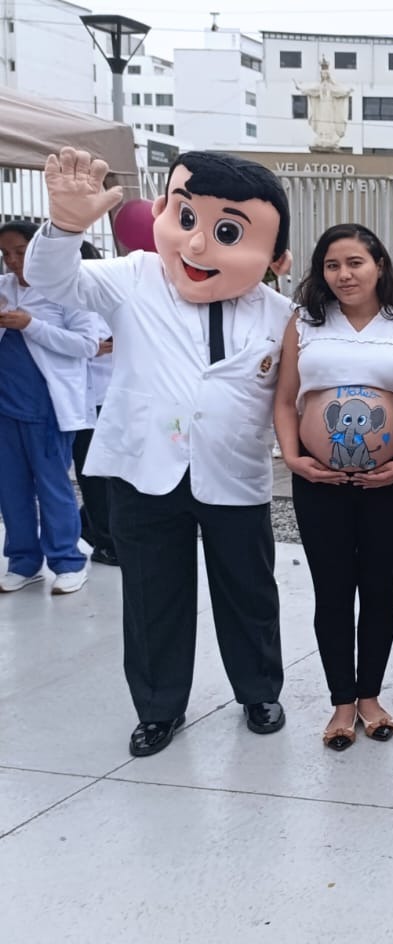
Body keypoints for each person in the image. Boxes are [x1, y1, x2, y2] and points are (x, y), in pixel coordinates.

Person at [26, 148, 295, 758]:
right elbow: (52, 282)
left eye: (226, 232)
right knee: (152, 596)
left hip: (233, 475)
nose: (199, 246)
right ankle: (158, 707)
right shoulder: (134, 277)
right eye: (187, 218)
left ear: (274, 259)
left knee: (248, 590)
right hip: (145, 470)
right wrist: (66, 226)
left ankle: (258, 691)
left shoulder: (281, 315)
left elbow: (292, 393)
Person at [273, 224, 393, 752]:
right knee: (333, 590)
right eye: (333, 265)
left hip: (390, 483)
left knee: (380, 587)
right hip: (320, 481)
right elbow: (284, 397)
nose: (344, 274)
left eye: (355, 262)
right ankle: (342, 699)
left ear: (379, 264)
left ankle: (370, 697)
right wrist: (294, 457)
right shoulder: (305, 324)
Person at [0, 220, 99, 594]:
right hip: (5, 406)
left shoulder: (66, 291)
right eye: (5, 254)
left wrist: (30, 324)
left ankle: (68, 560)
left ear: (38, 251)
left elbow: (87, 345)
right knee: (10, 488)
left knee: (53, 485)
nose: (12, 261)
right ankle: (23, 561)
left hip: (47, 408)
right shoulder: (3, 289)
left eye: (20, 252)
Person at [72, 244, 118, 567]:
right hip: (83, 401)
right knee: (92, 474)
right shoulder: (64, 302)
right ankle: (101, 538)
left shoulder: (110, 302)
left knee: (111, 474)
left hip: (110, 398)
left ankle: (96, 530)